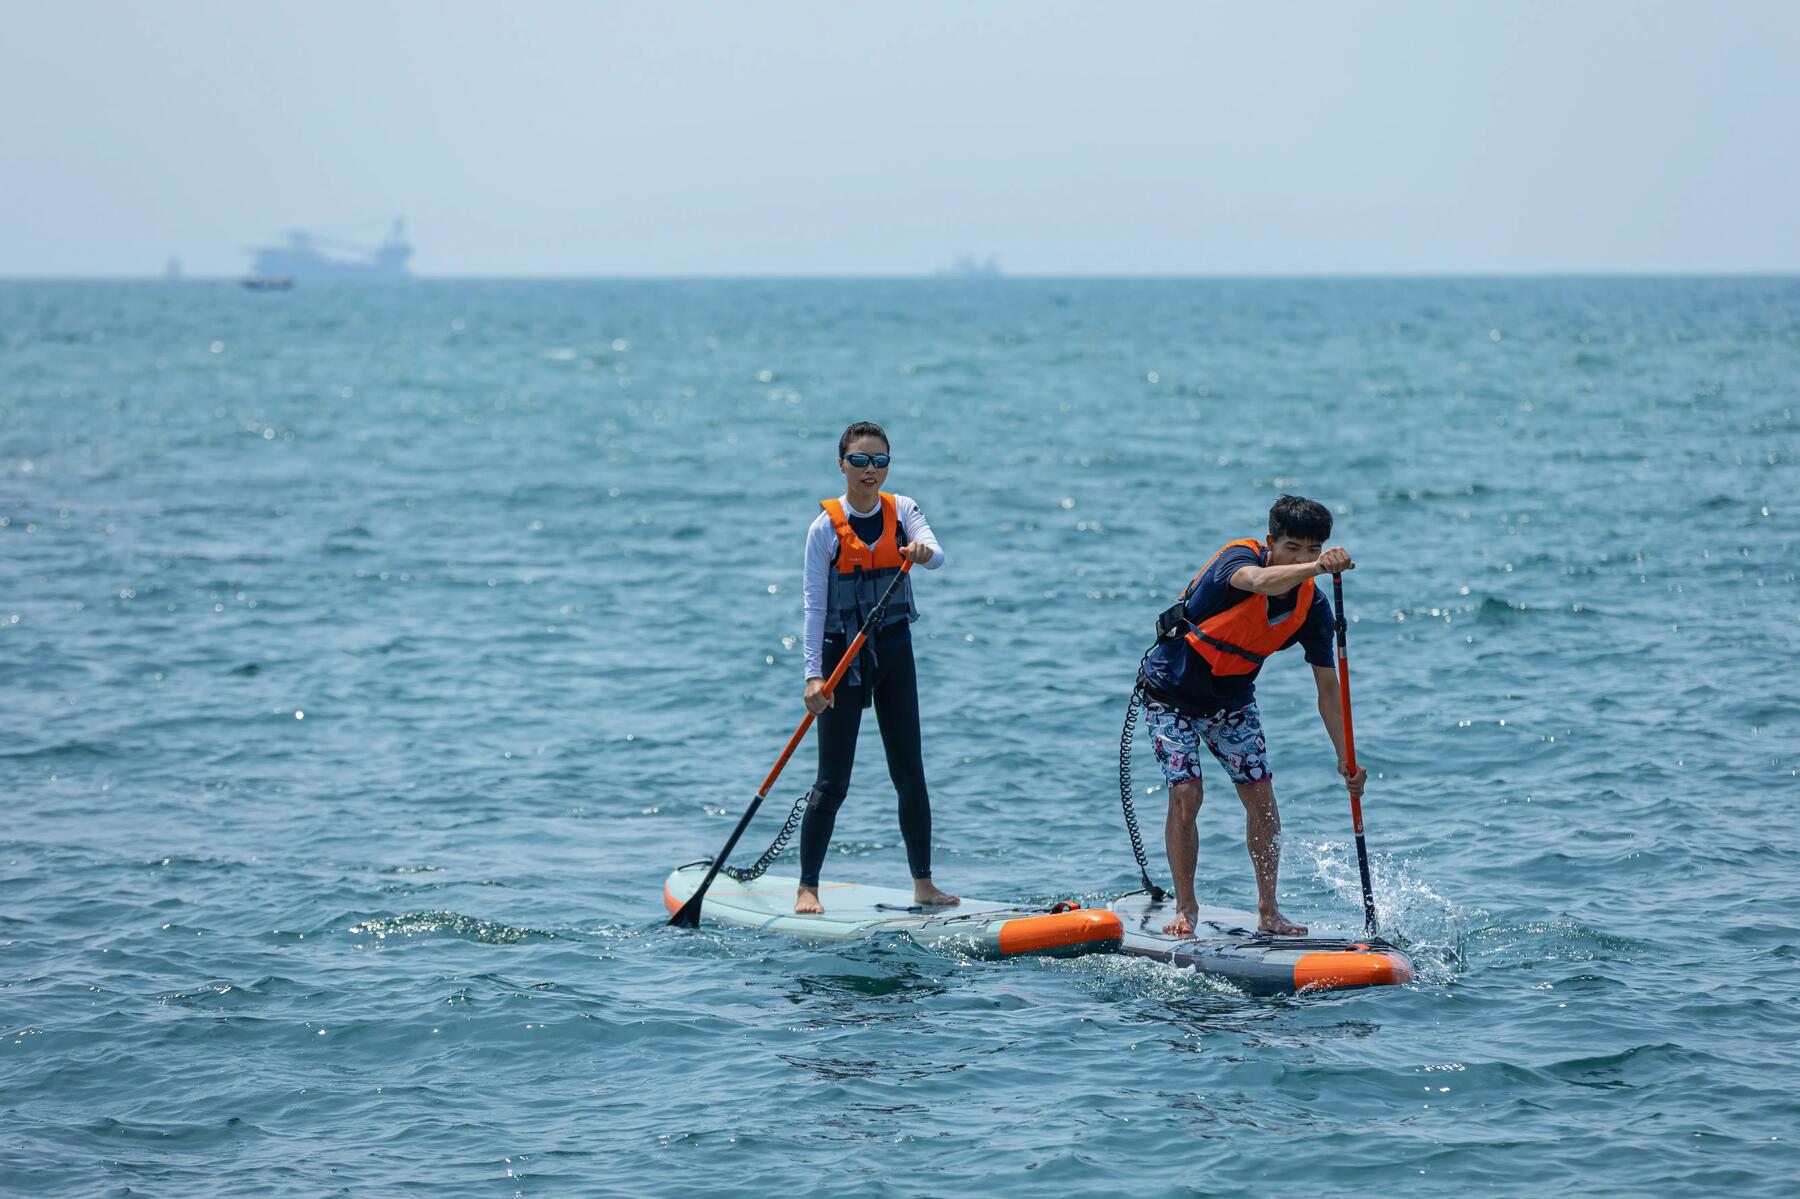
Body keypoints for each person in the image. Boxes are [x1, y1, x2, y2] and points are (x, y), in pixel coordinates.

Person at [1139, 495, 1367, 936]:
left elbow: (1327, 688)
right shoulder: (1237, 559)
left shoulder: (1314, 611)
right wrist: (1318, 569)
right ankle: (1186, 909)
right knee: (1187, 792)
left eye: (1313, 551)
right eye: (1293, 548)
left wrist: (1346, 758)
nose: (1303, 558)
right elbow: (1258, 582)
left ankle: (1269, 911)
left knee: (1262, 799)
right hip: (1169, 692)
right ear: (1271, 543)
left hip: (1231, 702)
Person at [795, 421, 957, 915]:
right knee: (833, 780)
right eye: (861, 461)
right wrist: (812, 676)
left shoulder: (903, 511)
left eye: (880, 461)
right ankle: (808, 887)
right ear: (842, 464)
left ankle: (923, 885)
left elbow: (938, 554)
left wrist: (923, 551)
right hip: (840, 659)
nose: (872, 471)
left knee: (910, 771)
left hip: (893, 653)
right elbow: (813, 605)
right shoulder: (824, 528)